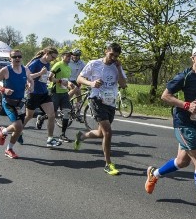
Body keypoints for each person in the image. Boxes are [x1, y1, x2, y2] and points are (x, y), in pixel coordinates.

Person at [144, 44, 196, 219]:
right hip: (183, 124)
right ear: (192, 58)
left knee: (182, 161)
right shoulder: (184, 76)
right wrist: (186, 105)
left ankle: (154, 174)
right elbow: (165, 96)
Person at [73, 42, 127, 175]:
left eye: (116, 56)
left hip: (110, 101)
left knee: (101, 133)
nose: (113, 58)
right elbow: (79, 78)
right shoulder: (94, 63)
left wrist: (119, 69)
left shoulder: (117, 67)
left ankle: (82, 136)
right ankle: (108, 164)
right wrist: (91, 83)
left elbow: (123, 84)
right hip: (96, 99)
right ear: (106, 51)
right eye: (111, 55)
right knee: (108, 132)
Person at [0, 49, 32, 159]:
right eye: (14, 57)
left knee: (19, 128)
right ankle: (3, 131)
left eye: (19, 56)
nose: (17, 58)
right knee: (18, 125)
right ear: (10, 59)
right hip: (9, 102)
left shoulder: (26, 70)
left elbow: (30, 80)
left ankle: (9, 148)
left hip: (21, 103)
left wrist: (29, 85)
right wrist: (3, 89)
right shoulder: (5, 70)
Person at [22, 47, 61, 147]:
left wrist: (54, 79)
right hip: (33, 93)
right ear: (47, 53)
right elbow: (27, 76)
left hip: (43, 92)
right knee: (29, 116)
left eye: (55, 58)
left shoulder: (47, 64)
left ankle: (50, 139)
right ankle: (18, 131)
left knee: (52, 115)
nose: (53, 59)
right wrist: (40, 73)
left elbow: (46, 78)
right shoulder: (36, 63)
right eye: (52, 57)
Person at [46, 49, 73, 142]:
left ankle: (63, 135)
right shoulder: (58, 65)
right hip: (55, 92)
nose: (69, 58)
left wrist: (69, 84)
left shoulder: (69, 68)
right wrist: (59, 81)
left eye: (70, 56)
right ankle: (41, 118)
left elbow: (66, 80)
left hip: (64, 92)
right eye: (67, 56)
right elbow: (50, 78)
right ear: (62, 57)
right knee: (52, 114)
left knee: (66, 112)